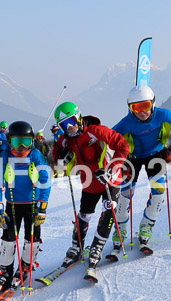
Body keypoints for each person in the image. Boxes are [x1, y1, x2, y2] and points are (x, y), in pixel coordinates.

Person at [52, 102, 129, 282]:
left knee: (109, 212)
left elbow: (123, 146)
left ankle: (96, 248)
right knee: (84, 215)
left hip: (110, 179)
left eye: (71, 121)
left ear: (78, 117)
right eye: (64, 125)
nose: (69, 127)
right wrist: (62, 157)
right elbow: (56, 155)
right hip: (89, 182)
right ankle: (76, 246)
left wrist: (112, 169)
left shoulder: (97, 130)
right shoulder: (66, 138)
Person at [111, 85, 171, 256]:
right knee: (124, 196)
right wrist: (119, 162)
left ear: (152, 103)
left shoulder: (164, 115)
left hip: (156, 154)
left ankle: (146, 226)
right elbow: (111, 139)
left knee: (159, 193)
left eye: (144, 106)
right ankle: (121, 229)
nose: (141, 112)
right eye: (136, 108)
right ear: (130, 108)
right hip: (132, 158)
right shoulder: (126, 123)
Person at [0, 121, 51, 294]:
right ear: (10, 142)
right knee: (8, 239)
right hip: (12, 205)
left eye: (26, 141)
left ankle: (25, 266)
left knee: (31, 239)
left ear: (32, 141)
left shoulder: (35, 155)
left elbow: (46, 180)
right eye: (17, 142)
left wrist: (43, 208)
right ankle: (5, 270)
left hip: (32, 204)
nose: (22, 147)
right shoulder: (4, 157)